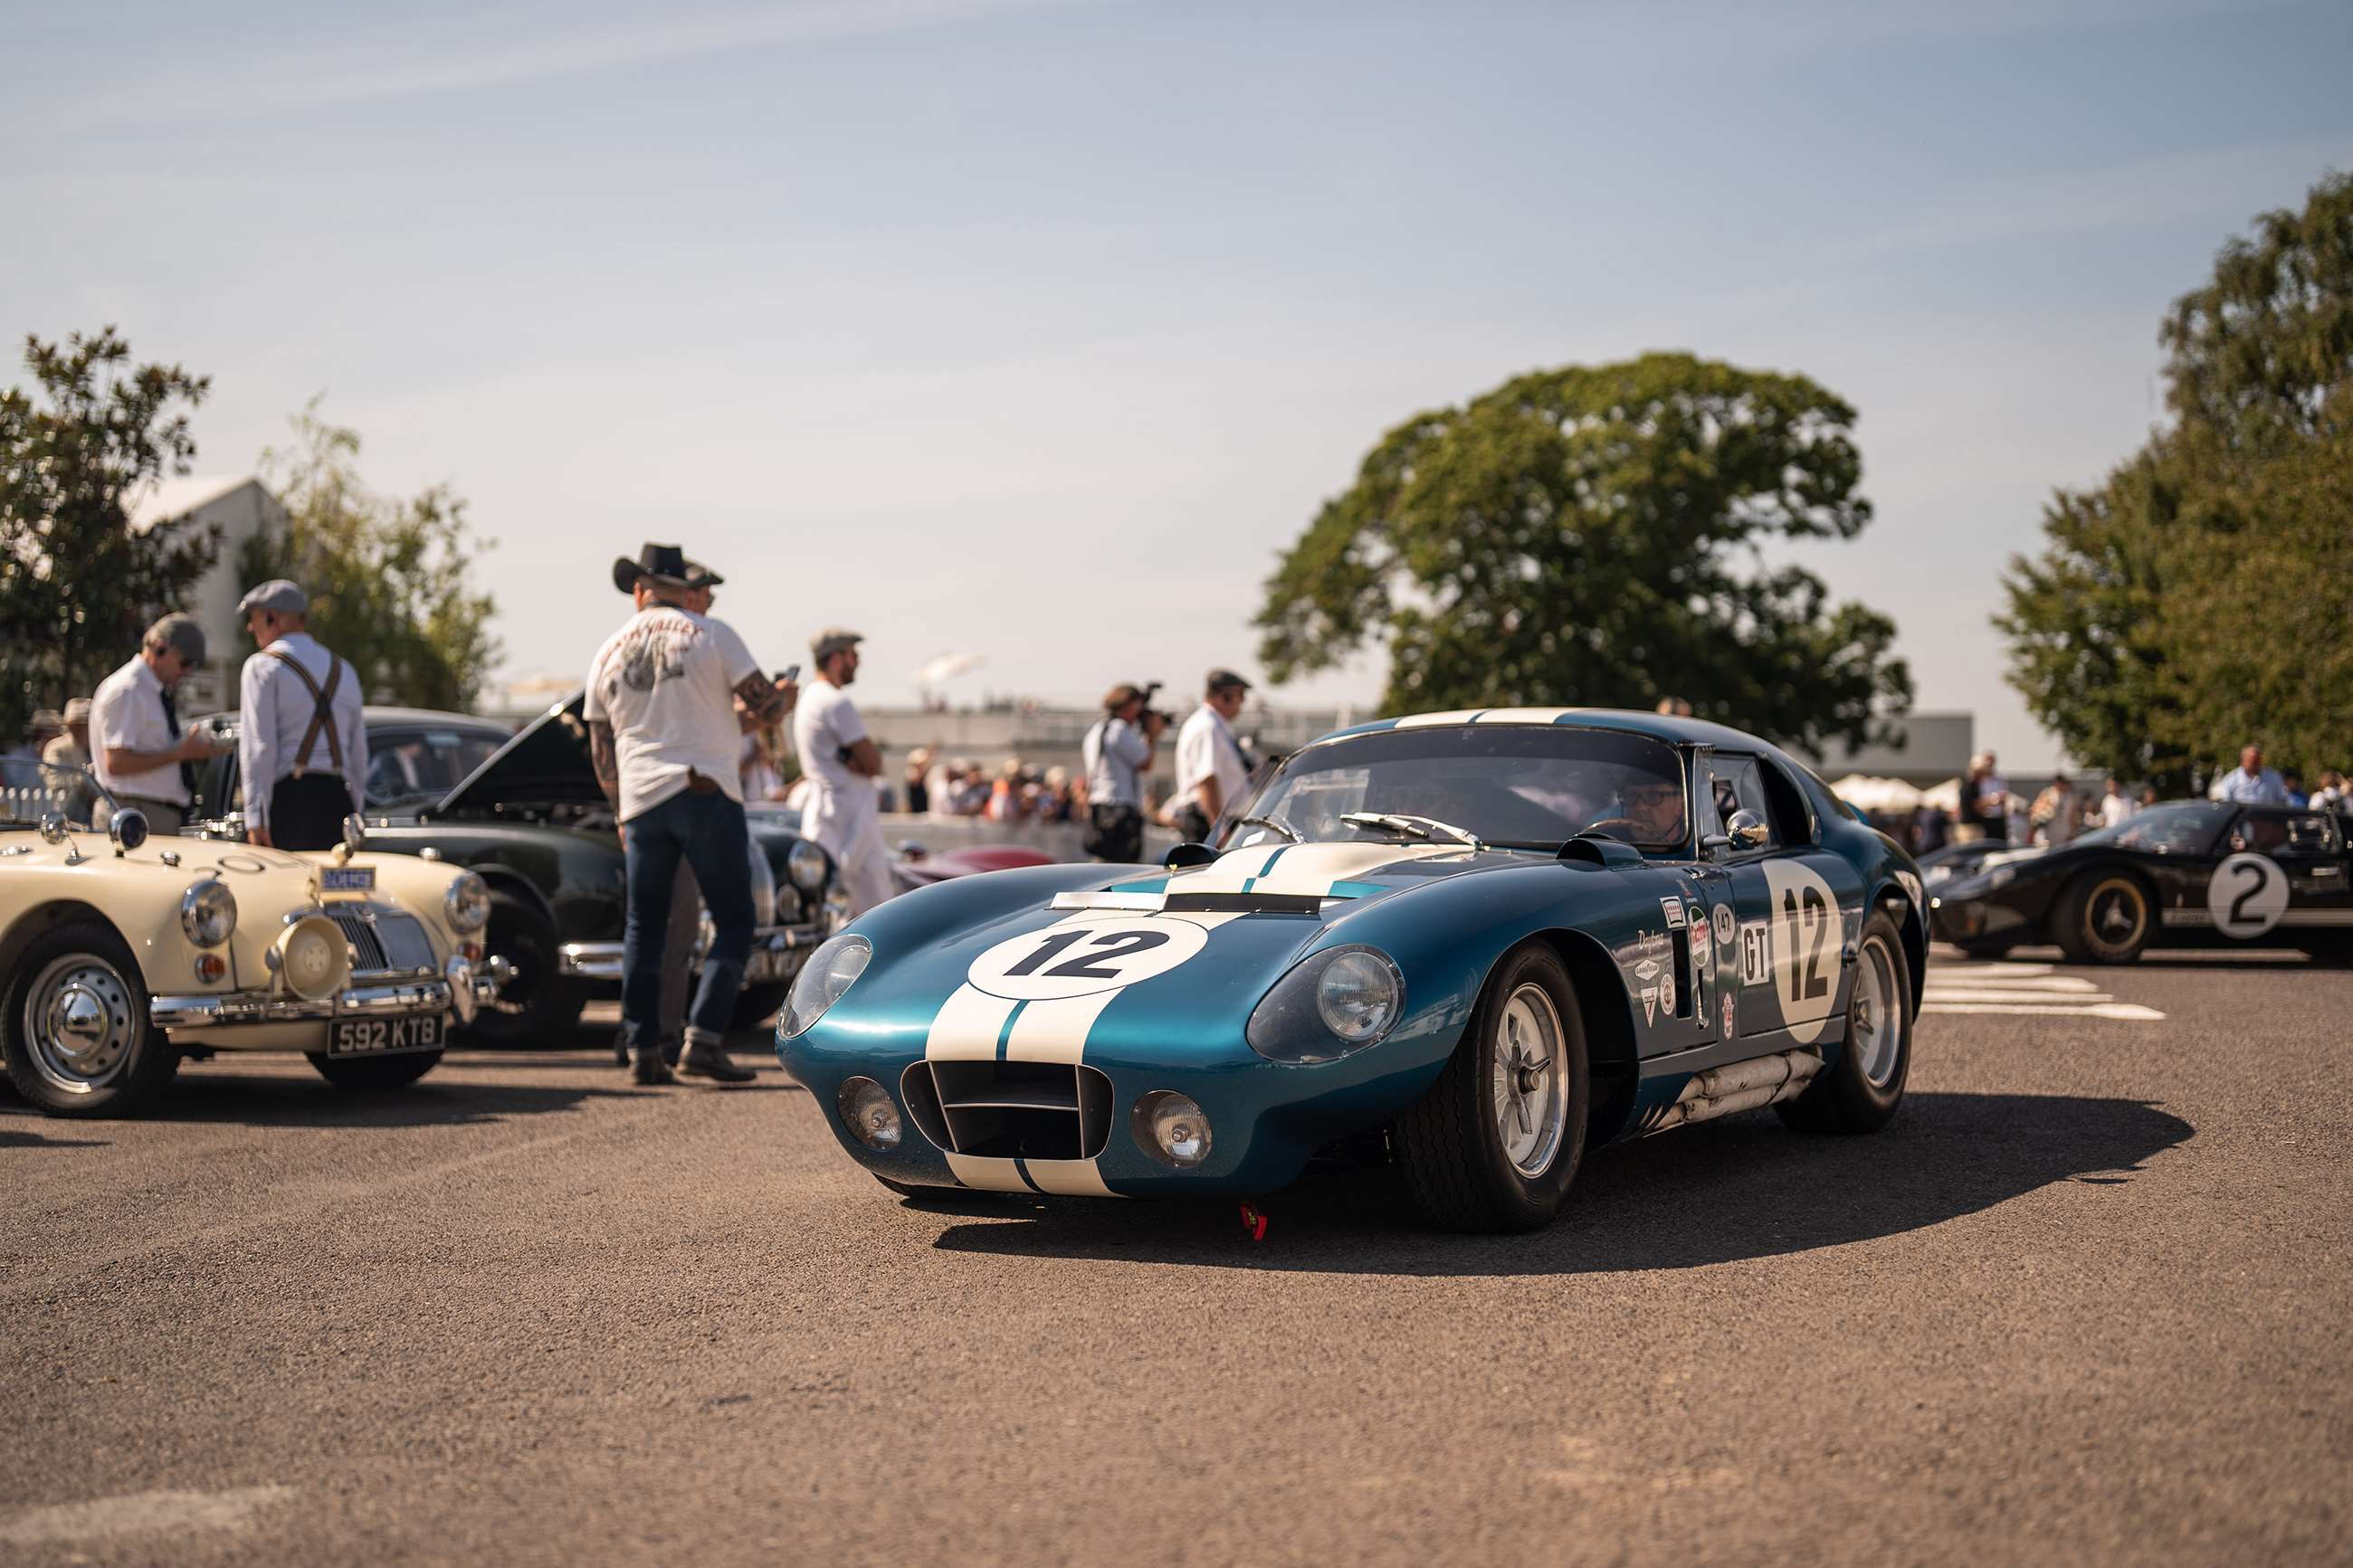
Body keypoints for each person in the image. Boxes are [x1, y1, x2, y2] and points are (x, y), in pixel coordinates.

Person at [587, 543, 790, 1086]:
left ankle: (642, 1049)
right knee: (735, 921)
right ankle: (703, 1039)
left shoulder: (606, 651)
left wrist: (621, 815)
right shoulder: (711, 633)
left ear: (640, 591)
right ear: (683, 589)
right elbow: (764, 705)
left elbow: (602, 749)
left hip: (641, 803)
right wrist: (784, 698)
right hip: (704, 791)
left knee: (644, 928)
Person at [237, 580, 367, 851]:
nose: (250, 627)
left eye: (254, 618)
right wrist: (356, 811)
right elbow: (358, 754)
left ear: (272, 617)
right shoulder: (344, 669)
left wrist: (256, 818)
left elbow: (259, 748)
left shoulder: (262, 666)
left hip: (288, 803)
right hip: (337, 801)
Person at [793, 628, 894, 919]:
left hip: (830, 813)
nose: (857, 661)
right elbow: (873, 763)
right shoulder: (836, 702)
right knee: (873, 913)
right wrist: (862, 759)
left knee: (833, 910)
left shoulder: (811, 698)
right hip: (847, 817)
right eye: (853, 655)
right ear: (836, 659)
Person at [90, 613, 217, 836]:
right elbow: (117, 763)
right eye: (185, 663)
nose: (188, 672)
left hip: (144, 813)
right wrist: (180, 753)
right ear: (160, 648)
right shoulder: (129, 689)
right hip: (134, 815)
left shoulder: (147, 690)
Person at [1082, 682, 1165, 862]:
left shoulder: (1096, 730)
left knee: (1103, 863)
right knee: (1123, 865)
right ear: (1128, 706)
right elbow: (1145, 763)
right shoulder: (1118, 729)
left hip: (1099, 807)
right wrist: (1152, 735)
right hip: (1120, 809)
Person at [1170, 668, 1253, 844]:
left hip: (1213, 820)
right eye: (1240, 696)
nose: (1242, 703)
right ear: (1225, 696)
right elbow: (1206, 780)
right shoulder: (1208, 727)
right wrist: (1218, 829)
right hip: (1207, 821)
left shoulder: (1215, 726)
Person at [39, 698, 98, 822]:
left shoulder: (95, 748)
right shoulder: (56, 748)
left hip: (94, 812)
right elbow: (54, 780)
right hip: (65, 815)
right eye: (79, 725)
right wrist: (84, 776)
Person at [2215, 744, 2288, 804]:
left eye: (2258, 760)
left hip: (2267, 816)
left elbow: (2283, 800)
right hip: (2241, 817)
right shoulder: (2231, 779)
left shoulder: (2274, 777)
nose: (2256, 764)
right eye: (2253, 762)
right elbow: (2225, 803)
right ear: (2243, 761)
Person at [1965, 753, 2010, 844]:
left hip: (1999, 819)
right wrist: (1992, 800)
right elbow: (1977, 803)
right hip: (1985, 820)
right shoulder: (1979, 782)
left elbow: (2005, 798)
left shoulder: (2000, 779)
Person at [2031, 773, 2080, 847]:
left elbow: (2073, 816)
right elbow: (2037, 811)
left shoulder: (2071, 797)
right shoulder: (2048, 793)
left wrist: (2073, 832)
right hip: (2049, 831)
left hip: (2064, 831)